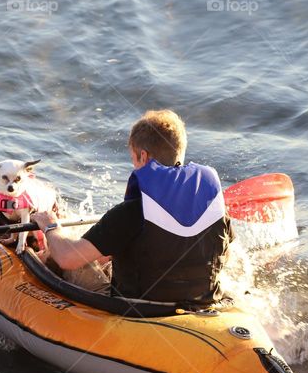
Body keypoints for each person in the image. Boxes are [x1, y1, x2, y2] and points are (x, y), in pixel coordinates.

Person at [33, 109, 233, 304]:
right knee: (107, 257)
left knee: (60, 254)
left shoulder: (130, 212)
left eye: (133, 158)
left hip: (138, 310)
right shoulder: (213, 206)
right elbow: (224, 253)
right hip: (201, 302)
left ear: (143, 156)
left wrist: (51, 227)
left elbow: (68, 259)